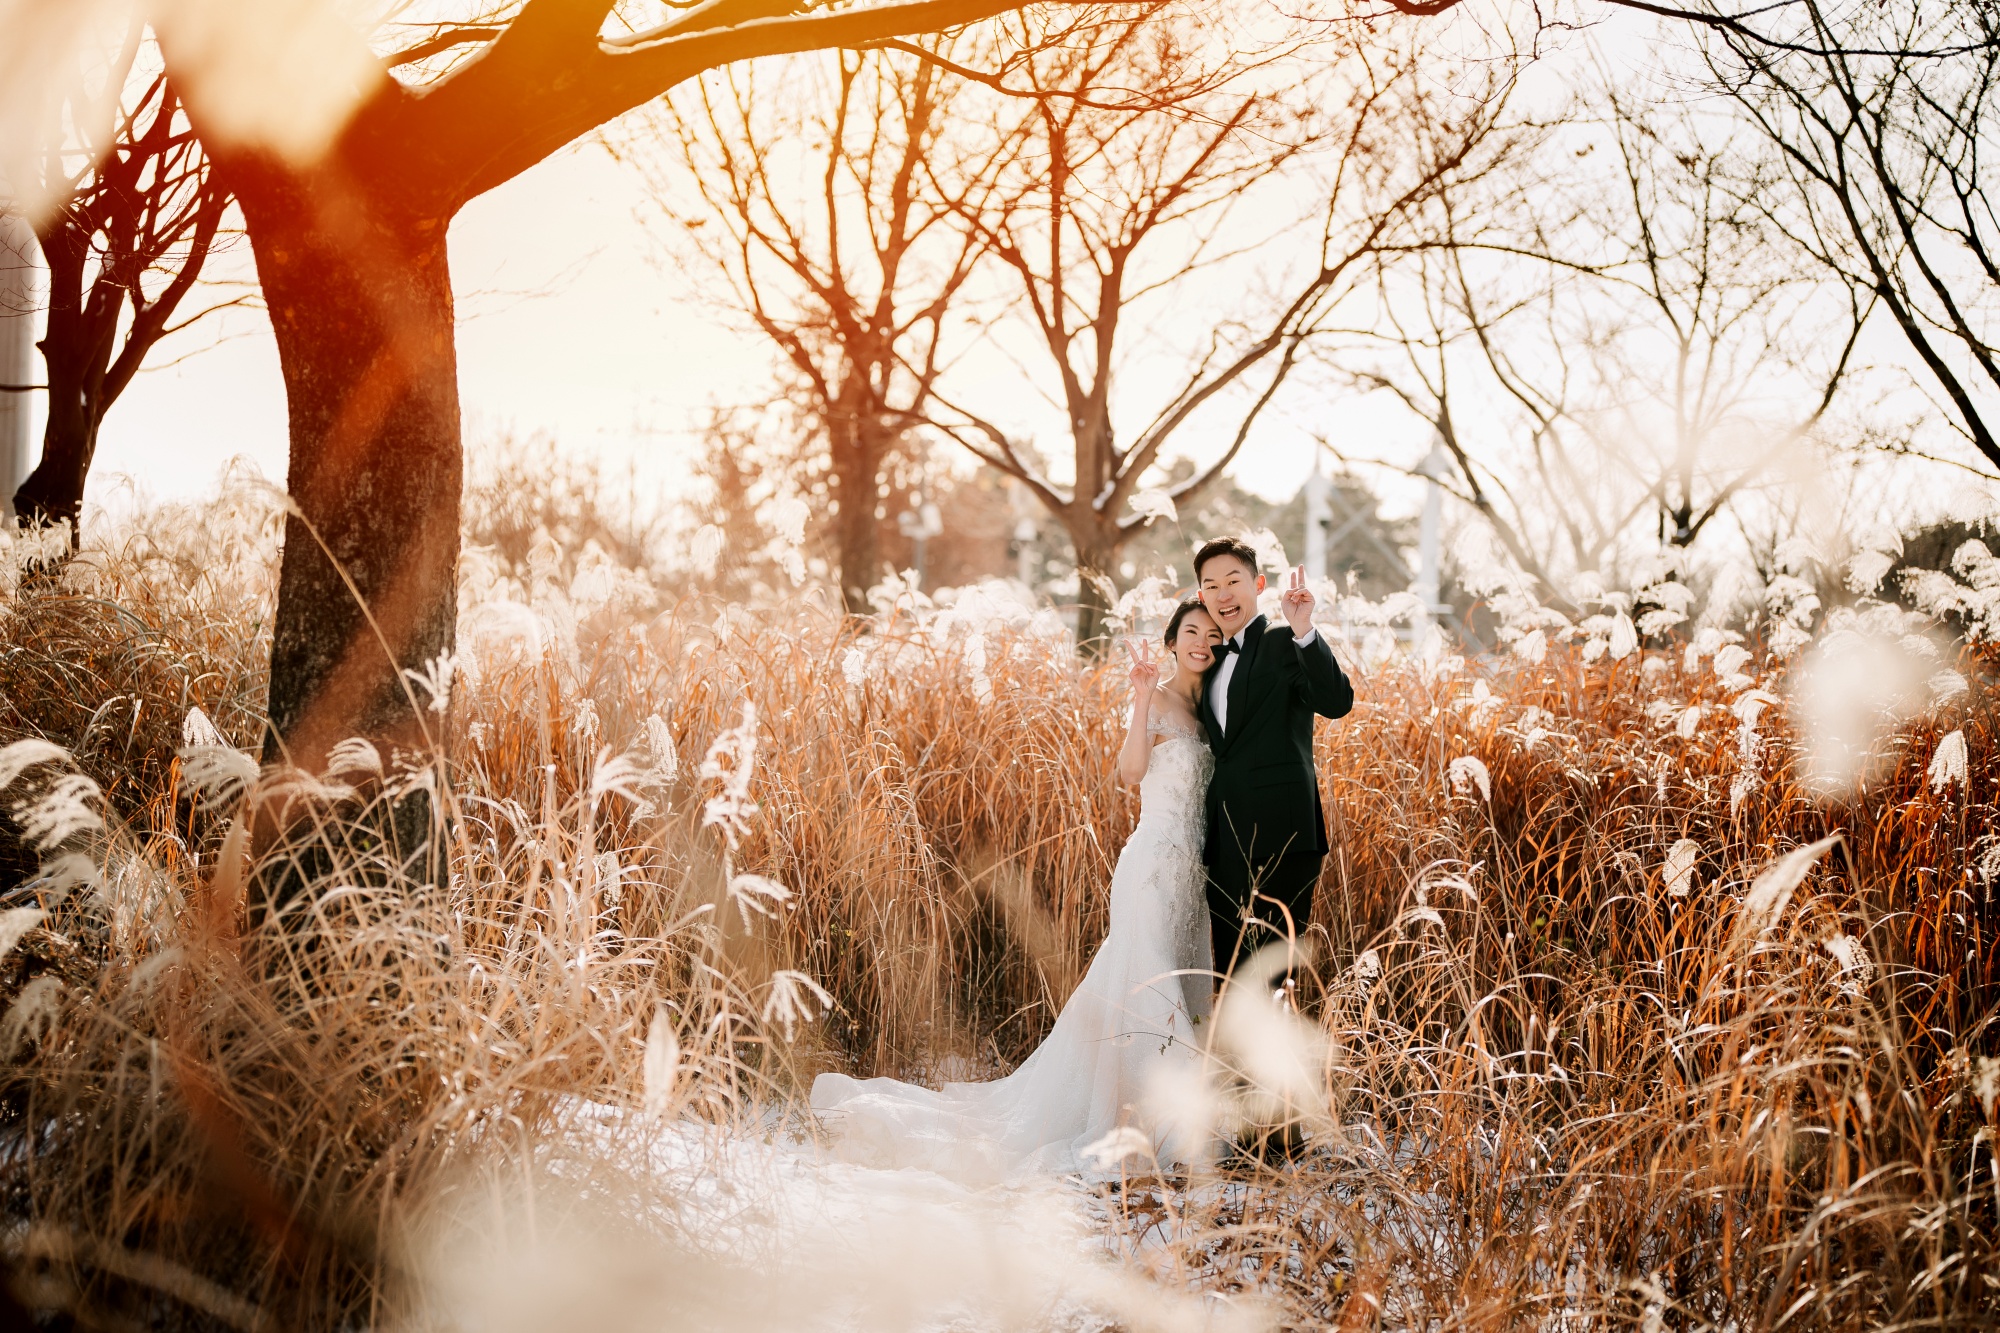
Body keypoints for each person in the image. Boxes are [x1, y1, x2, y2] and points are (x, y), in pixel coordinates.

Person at [809, 599, 1225, 1180]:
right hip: (1151, 867)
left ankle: (1161, 1111)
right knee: (1145, 985)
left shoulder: (1208, 713)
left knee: (1164, 984)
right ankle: (1154, 1123)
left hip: (1191, 876)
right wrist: (1138, 696)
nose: (1201, 642)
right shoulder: (1155, 700)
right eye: (1190, 633)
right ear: (1172, 641)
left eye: (1210, 633)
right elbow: (1130, 774)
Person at [1192, 537, 1354, 994]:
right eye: (1211, 585)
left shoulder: (1285, 641)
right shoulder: (1210, 662)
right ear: (1201, 596)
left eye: (1233, 581)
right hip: (1226, 845)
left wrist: (1304, 628)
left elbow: (1337, 702)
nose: (1223, 594)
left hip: (1283, 837)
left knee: (1272, 979)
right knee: (1229, 976)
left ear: (1258, 584)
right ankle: (1231, 1066)